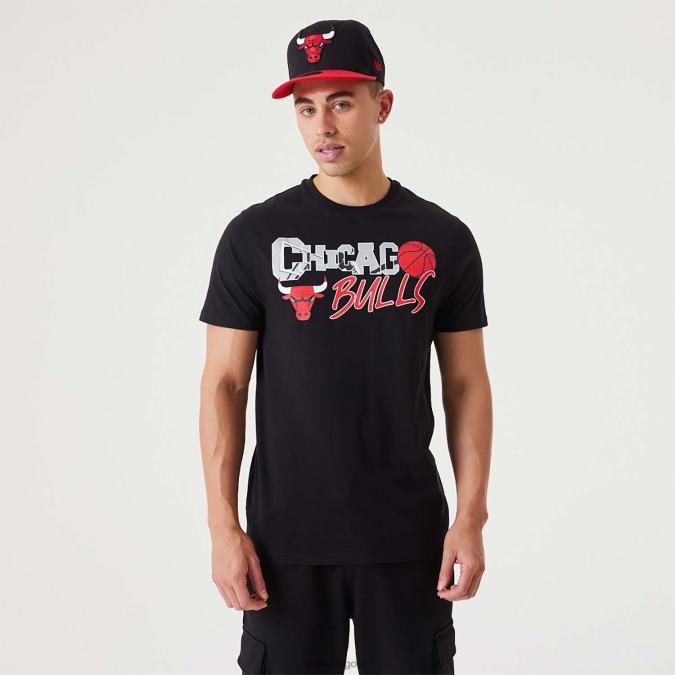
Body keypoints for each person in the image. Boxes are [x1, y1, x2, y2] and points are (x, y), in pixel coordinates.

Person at [198, 18, 493, 675]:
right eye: (306, 108)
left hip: (408, 539)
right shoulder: (255, 236)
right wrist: (223, 528)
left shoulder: (443, 238)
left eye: (341, 103)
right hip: (283, 544)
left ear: (381, 105)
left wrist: (470, 518)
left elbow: (466, 383)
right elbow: (224, 383)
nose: (322, 126)